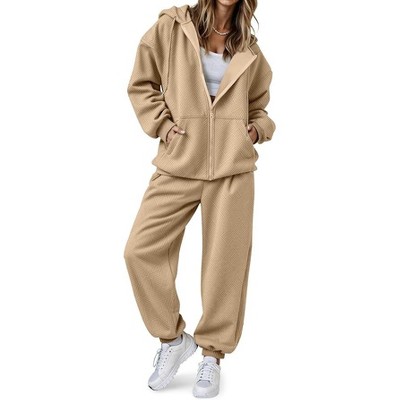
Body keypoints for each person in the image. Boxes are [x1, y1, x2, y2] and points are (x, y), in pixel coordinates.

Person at [123, 1, 275, 397]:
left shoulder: (248, 47)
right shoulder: (172, 27)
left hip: (232, 168)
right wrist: (163, 126)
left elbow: (259, 108)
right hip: (179, 160)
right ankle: (173, 340)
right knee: (140, 250)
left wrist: (254, 131)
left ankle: (212, 355)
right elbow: (141, 83)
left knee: (225, 266)